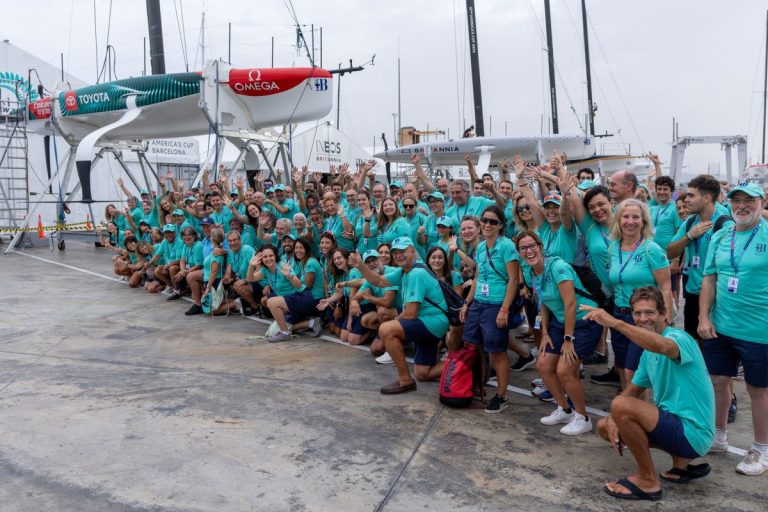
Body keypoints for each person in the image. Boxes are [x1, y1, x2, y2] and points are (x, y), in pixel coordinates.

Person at [585, 287, 714, 502]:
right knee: (604, 425)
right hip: (679, 429)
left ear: (664, 314)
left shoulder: (679, 338)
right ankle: (680, 463)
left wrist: (615, 323)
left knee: (620, 406)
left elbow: (664, 346)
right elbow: (632, 392)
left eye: (650, 313)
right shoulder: (647, 353)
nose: (643, 318)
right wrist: (614, 419)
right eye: (637, 313)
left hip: (694, 433)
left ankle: (647, 481)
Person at [699, 183, 768, 476]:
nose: (742, 206)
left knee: (758, 389)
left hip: (759, 330)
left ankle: (761, 450)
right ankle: (719, 436)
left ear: (761, 202)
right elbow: (710, 279)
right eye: (736, 200)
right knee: (717, 380)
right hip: (721, 326)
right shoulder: (721, 235)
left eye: (749, 201)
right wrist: (703, 317)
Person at [516, 231, 602, 435]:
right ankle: (564, 409)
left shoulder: (558, 267)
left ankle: (583, 417)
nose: (529, 251)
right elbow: (543, 302)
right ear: (519, 253)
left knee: (565, 370)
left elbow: (570, 303)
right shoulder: (530, 271)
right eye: (523, 248)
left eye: (532, 246)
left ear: (540, 246)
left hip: (584, 320)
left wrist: (568, 339)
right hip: (559, 322)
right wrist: (544, 332)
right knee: (543, 365)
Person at [349, 237, 448, 394]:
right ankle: (465, 365)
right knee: (423, 373)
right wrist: (361, 266)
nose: (398, 255)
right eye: (395, 252)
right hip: (429, 322)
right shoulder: (405, 271)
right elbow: (380, 281)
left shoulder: (416, 273)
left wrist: (393, 325)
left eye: (402, 251)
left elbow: (411, 313)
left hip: (432, 322)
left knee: (386, 329)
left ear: (412, 251)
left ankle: (405, 380)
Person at [459, 205, 521, 413]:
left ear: (501, 225)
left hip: (496, 304)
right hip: (479, 303)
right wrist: (467, 303)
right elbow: (477, 278)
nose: (487, 224)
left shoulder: (506, 246)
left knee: (497, 352)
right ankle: (480, 384)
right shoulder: (480, 247)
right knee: (473, 345)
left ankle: (501, 395)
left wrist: (505, 309)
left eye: (492, 221)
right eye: (485, 220)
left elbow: (513, 279)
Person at [607, 199, 673, 388]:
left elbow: (666, 287)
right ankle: (626, 405)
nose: (630, 221)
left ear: (643, 222)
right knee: (621, 365)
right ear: (619, 221)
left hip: (643, 318)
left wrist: (665, 318)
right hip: (619, 314)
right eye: (625, 217)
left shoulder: (651, 249)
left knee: (633, 371)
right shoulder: (613, 248)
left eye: (636, 217)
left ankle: (638, 408)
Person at [667, 175, 731, 341]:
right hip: (693, 293)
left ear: (707, 198)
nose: (686, 199)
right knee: (694, 344)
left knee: (713, 348)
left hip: (717, 296)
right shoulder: (690, 222)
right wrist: (689, 236)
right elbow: (670, 252)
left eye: (691, 195)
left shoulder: (725, 222)